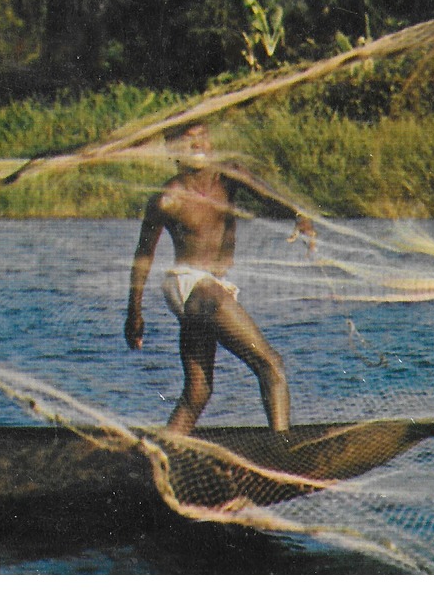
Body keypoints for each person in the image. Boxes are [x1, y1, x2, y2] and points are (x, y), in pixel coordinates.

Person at [124, 124, 311, 434]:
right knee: (272, 365)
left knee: (198, 392)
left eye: (203, 135)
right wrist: (134, 312)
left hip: (210, 287)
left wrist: (299, 215)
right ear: (172, 150)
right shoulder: (167, 198)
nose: (198, 144)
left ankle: (161, 455)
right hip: (190, 285)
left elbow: (267, 195)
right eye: (188, 139)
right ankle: (283, 450)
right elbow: (143, 255)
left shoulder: (228, 175)